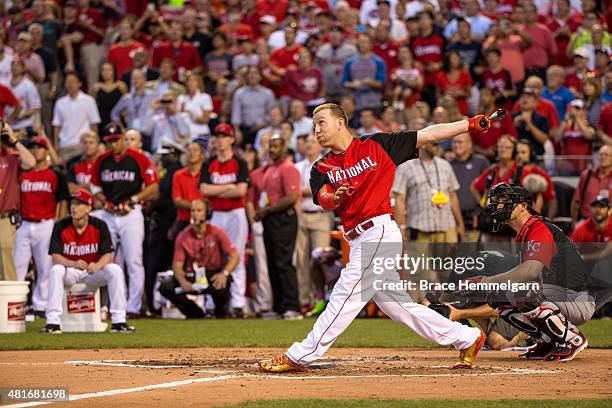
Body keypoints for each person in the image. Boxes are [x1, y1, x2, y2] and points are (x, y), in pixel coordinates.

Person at [259, 103, 491, 373]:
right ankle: (467, 338)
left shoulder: (378, 145)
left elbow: (429, 134)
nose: (316, 130)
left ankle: (301, 354)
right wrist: (334, 197)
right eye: (314, 125)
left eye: (321, 122)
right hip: (358, 237)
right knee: (399, 307)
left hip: (379, 231)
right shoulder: (321, 166)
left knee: (345, 294)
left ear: (340, 123)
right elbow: (321, 196)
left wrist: (468, 124)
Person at [468, 183, 593, 362]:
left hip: (577, 297)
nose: (499, 206)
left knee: (522, 292)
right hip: (559, 294)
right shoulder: (525, 232)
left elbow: (530, 271)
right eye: (497, 201)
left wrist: (485, 281)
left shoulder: (538, 227)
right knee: (498, 295)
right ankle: (549, 340)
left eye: (505, 201)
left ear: (523, 207)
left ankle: (572, 339)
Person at [90, 123, 159, 317]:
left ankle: (134, 307)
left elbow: (153, 186)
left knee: (134, 261)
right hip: (109, 214)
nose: (112, 144)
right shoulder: (102, 160)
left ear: (122, 138)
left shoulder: (138, 158)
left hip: (131, 213)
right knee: (111, 263)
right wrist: (104, 202)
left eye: (115, 140)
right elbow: (94, 186)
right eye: (109, 141)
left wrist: (134, 199)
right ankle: (115, 307)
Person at [43, 189, 134, 334]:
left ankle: (118, 321)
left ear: (88, 208)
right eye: (72, 203)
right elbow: (55, 257)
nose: (73, 207)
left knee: (115, 270)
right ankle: (53, 322)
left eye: (79, 204)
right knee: (56, 270)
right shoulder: (60, 226)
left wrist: (97, 265)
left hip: (93, 272)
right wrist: (74, 263)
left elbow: (108, 254)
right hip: (71, 272)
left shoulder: (99, 225)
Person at [14, 135, 69, 315]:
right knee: (18, 266)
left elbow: (63, 201)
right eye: (33, 147)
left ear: (46, 150)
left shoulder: (55, 174)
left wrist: (59, 225)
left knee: (45, 267)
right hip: (24, 223)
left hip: (46, 223)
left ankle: (40, 305)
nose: (35, 150)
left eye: (39, 146)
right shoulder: (22, 173)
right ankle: (16, 305)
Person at [199, 124, 250, 317]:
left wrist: (218, 189)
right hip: (216, 214)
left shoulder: (239, 162)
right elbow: (203, 189)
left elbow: (241, 191)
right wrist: (229, 187)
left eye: (224, 136)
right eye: (217, 136)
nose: (220, 139)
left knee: (236, 254)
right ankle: (212, 302)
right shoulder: (209, 162)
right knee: (212, 257)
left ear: (231, 139)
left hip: (236, 212)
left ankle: (237, 303)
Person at [159, 199, 240, 319]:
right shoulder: (183, 236)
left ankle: (221, 312)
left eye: (199, 210)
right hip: (192, 275)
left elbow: (235, 256)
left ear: (207, 213)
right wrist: (183, 281)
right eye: (192, 210)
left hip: (212, 275)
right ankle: (195, 313)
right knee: (167, 286)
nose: (195, 214)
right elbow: (177, 265)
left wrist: (224, 273)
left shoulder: (217, 232)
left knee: (223, 282)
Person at [251, 135, 301, 320]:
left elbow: (291, 197)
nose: (272, 149)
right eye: (270, 146)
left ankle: (292, 306)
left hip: (284, 218)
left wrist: (267, 210)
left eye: (275, 146)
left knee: (284, 261)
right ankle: (279, 306)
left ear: (284, 147)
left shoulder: (288, 169)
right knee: (272, 262)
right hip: (270, 219)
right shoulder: (269, 170)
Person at [295, 133, 332, 316]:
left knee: (320, 259)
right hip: (301, 215)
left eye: (313, 142)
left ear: (320, 146)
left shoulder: (326, 164)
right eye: (307, 142)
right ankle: (305, 301)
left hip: (321, 216)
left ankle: (323, 299)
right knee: (301, 261)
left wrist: (301, 191)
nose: (309, 145)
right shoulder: (297, 167)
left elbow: (324, 189)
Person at [0, 123, 35, 281]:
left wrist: (14, 140)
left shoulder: (12, 157)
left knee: (6, 258)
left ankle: (10, 302)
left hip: (5, 219)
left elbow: (31, 162)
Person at [450, 133, 490, 244]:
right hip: (451, 220)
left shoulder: (481, 162)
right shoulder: (447, 164)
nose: (456, 145)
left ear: (469, 144)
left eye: (460, 142)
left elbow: (489, 187)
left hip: (474, 219)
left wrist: (482, 208)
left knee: (471, 257)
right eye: (454, 142)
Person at [52, 71, 100, 163]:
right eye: (67, 82)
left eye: (73, 81)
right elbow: (57, 126)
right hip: (65, 146)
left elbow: (94, 124)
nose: (70, 84)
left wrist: (94, 143)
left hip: (82, 145)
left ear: (80, 83)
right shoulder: (60, 103)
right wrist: (56, 145)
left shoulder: (89, 100)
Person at [340, 32, 386, 111]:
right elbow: (343, 82)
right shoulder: (350, 61)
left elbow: (381, 83)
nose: (362, 44)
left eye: (365, 42)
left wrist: (370, 82)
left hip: (373, 103)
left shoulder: (378, 61)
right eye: (360, 42)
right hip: (355, 103)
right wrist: (353, 84)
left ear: (371, 44)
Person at [315, 24, 356, 102]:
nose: (334, 37)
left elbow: (356, 71)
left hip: (345, 92)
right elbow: (317, 71)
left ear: (342, 36)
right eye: (332, 36)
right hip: (326, 92)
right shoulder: (322, 50)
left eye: (336, 36)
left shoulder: (351, 50)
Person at [571, 145, 612, 222]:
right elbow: (576, 201)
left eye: (606, 155)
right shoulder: (587, 175)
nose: (603, 157)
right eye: (601, 154)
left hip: (610, 222)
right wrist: (574, 222)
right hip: (587, 220)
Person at [172, 141, 206, 233]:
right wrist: (199, 209)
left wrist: (196, 210)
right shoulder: (178, 175)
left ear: (202, 155)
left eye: (195, 150)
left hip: (205, 221)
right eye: (189, 150)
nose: (191, 153)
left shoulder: (207, 174)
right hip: (184, 220)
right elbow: (177, 201)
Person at [93, 62, 128, 132]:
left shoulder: (121, 86)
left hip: (118, 120)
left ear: (114, 72)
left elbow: (127, 104)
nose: (106, 72)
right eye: (104, 70)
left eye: (109, 70)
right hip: (102, 120)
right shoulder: (96, 87)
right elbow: (93, 106)